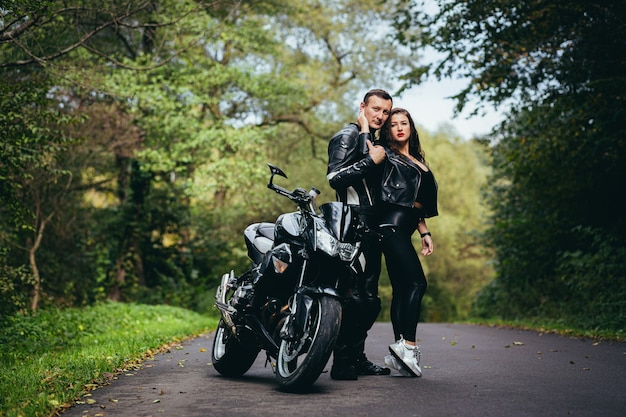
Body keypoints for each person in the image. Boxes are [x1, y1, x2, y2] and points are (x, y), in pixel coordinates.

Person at [326, 89, 393, 380]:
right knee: (352, 296)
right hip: (351, 226)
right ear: (363, 106)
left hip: (373, 229)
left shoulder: (371, 140)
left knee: (369, 298)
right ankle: (341, 363)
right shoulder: (347, 136)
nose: (380, 116)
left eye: (385, 112)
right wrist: (370, 161)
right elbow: (334, 177)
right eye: (375, 109)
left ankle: (356, 357)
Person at [377, 108, 438, 377]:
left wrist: (424, 232)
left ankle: (400, 351)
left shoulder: (414, 158)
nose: (399, 128)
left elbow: (417, 204)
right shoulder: (385, 155)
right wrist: (365, 124)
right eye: (393, 124)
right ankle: (409, 347)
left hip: (404, 228)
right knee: (417, 283)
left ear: (411, 127)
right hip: (390, 227)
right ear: (387, 130)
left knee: (403, 288)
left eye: (404, 123)